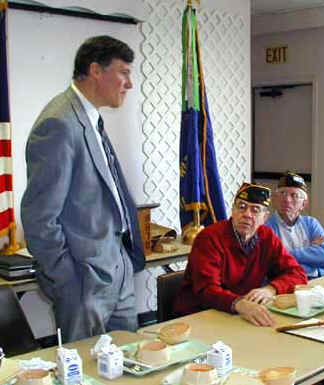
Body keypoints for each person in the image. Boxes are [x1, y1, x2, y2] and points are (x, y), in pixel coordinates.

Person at [21, 36, 145, 343]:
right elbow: (39, 217)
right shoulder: (59, 123)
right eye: (124, 72)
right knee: (84, 370)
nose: (129, 84)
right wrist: (67, 281)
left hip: (117, 267)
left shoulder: (90, 119)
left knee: (126, 364)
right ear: (95, 71)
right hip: (83, 281)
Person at [174, 182, 307, 327]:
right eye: (241, 207)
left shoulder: (267, 236)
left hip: (238, 316)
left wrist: (271, 289)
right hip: (198, 316)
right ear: (232, 210)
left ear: (265, 217)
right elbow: (207, 290)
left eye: (255, 210)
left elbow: (297, 273)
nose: (247, 215)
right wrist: (240, 303)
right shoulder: (210, 237)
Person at [265, 171, 324, 278]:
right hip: (284, 283)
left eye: (294, 195)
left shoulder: (311, 223)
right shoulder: (266, 226)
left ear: (303, 204)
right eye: (282, 193)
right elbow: (272, 263)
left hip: (314, 281)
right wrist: (311, 254)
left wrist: (286, 254)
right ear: (274, 199)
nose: (287, 200)